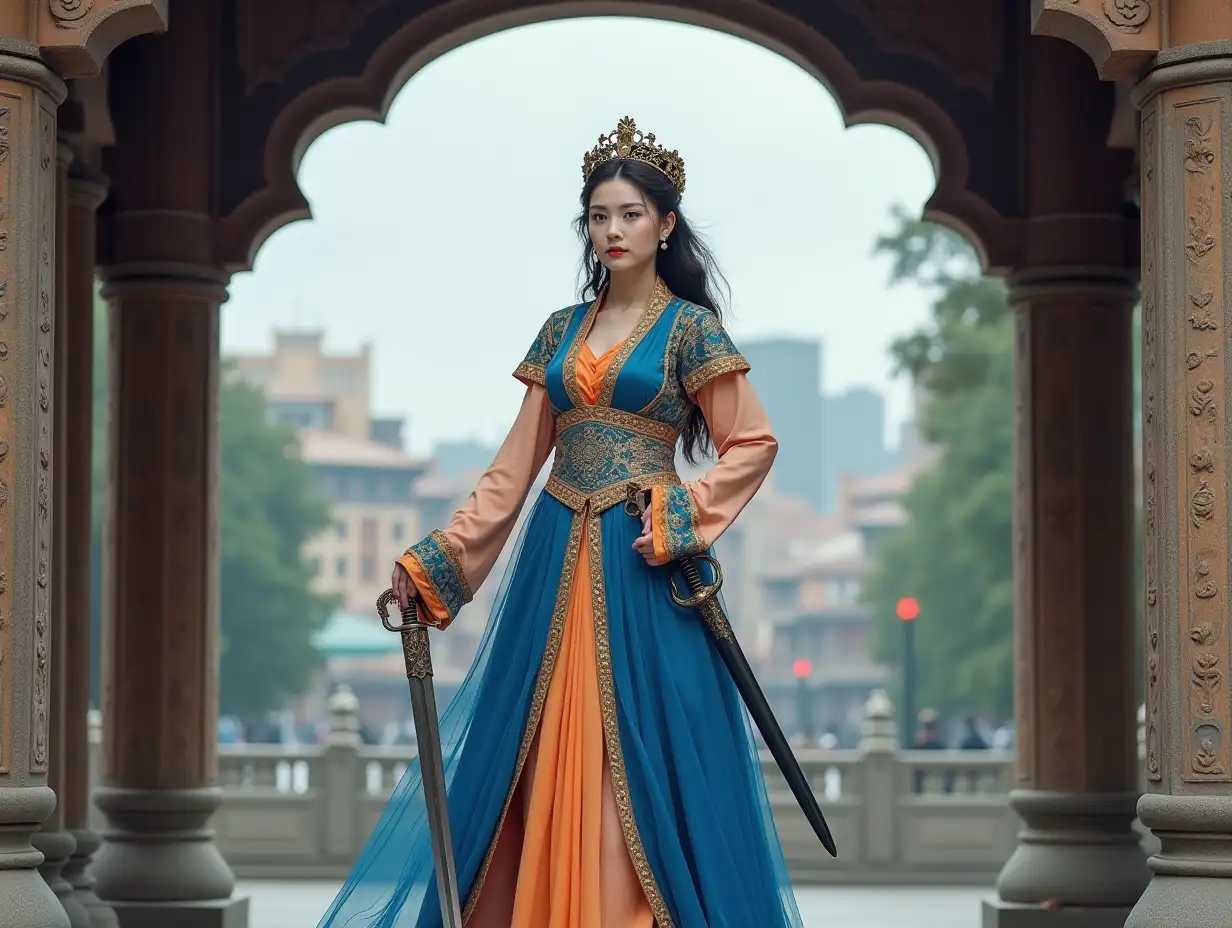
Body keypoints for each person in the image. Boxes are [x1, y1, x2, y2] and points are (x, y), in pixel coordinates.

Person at [317, 117, 801, 928]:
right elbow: (513, 470)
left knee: (645, 759)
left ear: (666, 225)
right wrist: (439, 561)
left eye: (631, 215)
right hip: (552, 557)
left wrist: (682, 513)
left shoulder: (691, 330)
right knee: (529, 749)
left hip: (643, 567)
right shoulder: (561, 329)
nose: (613, 231)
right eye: (599, 216)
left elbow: (752, 441)